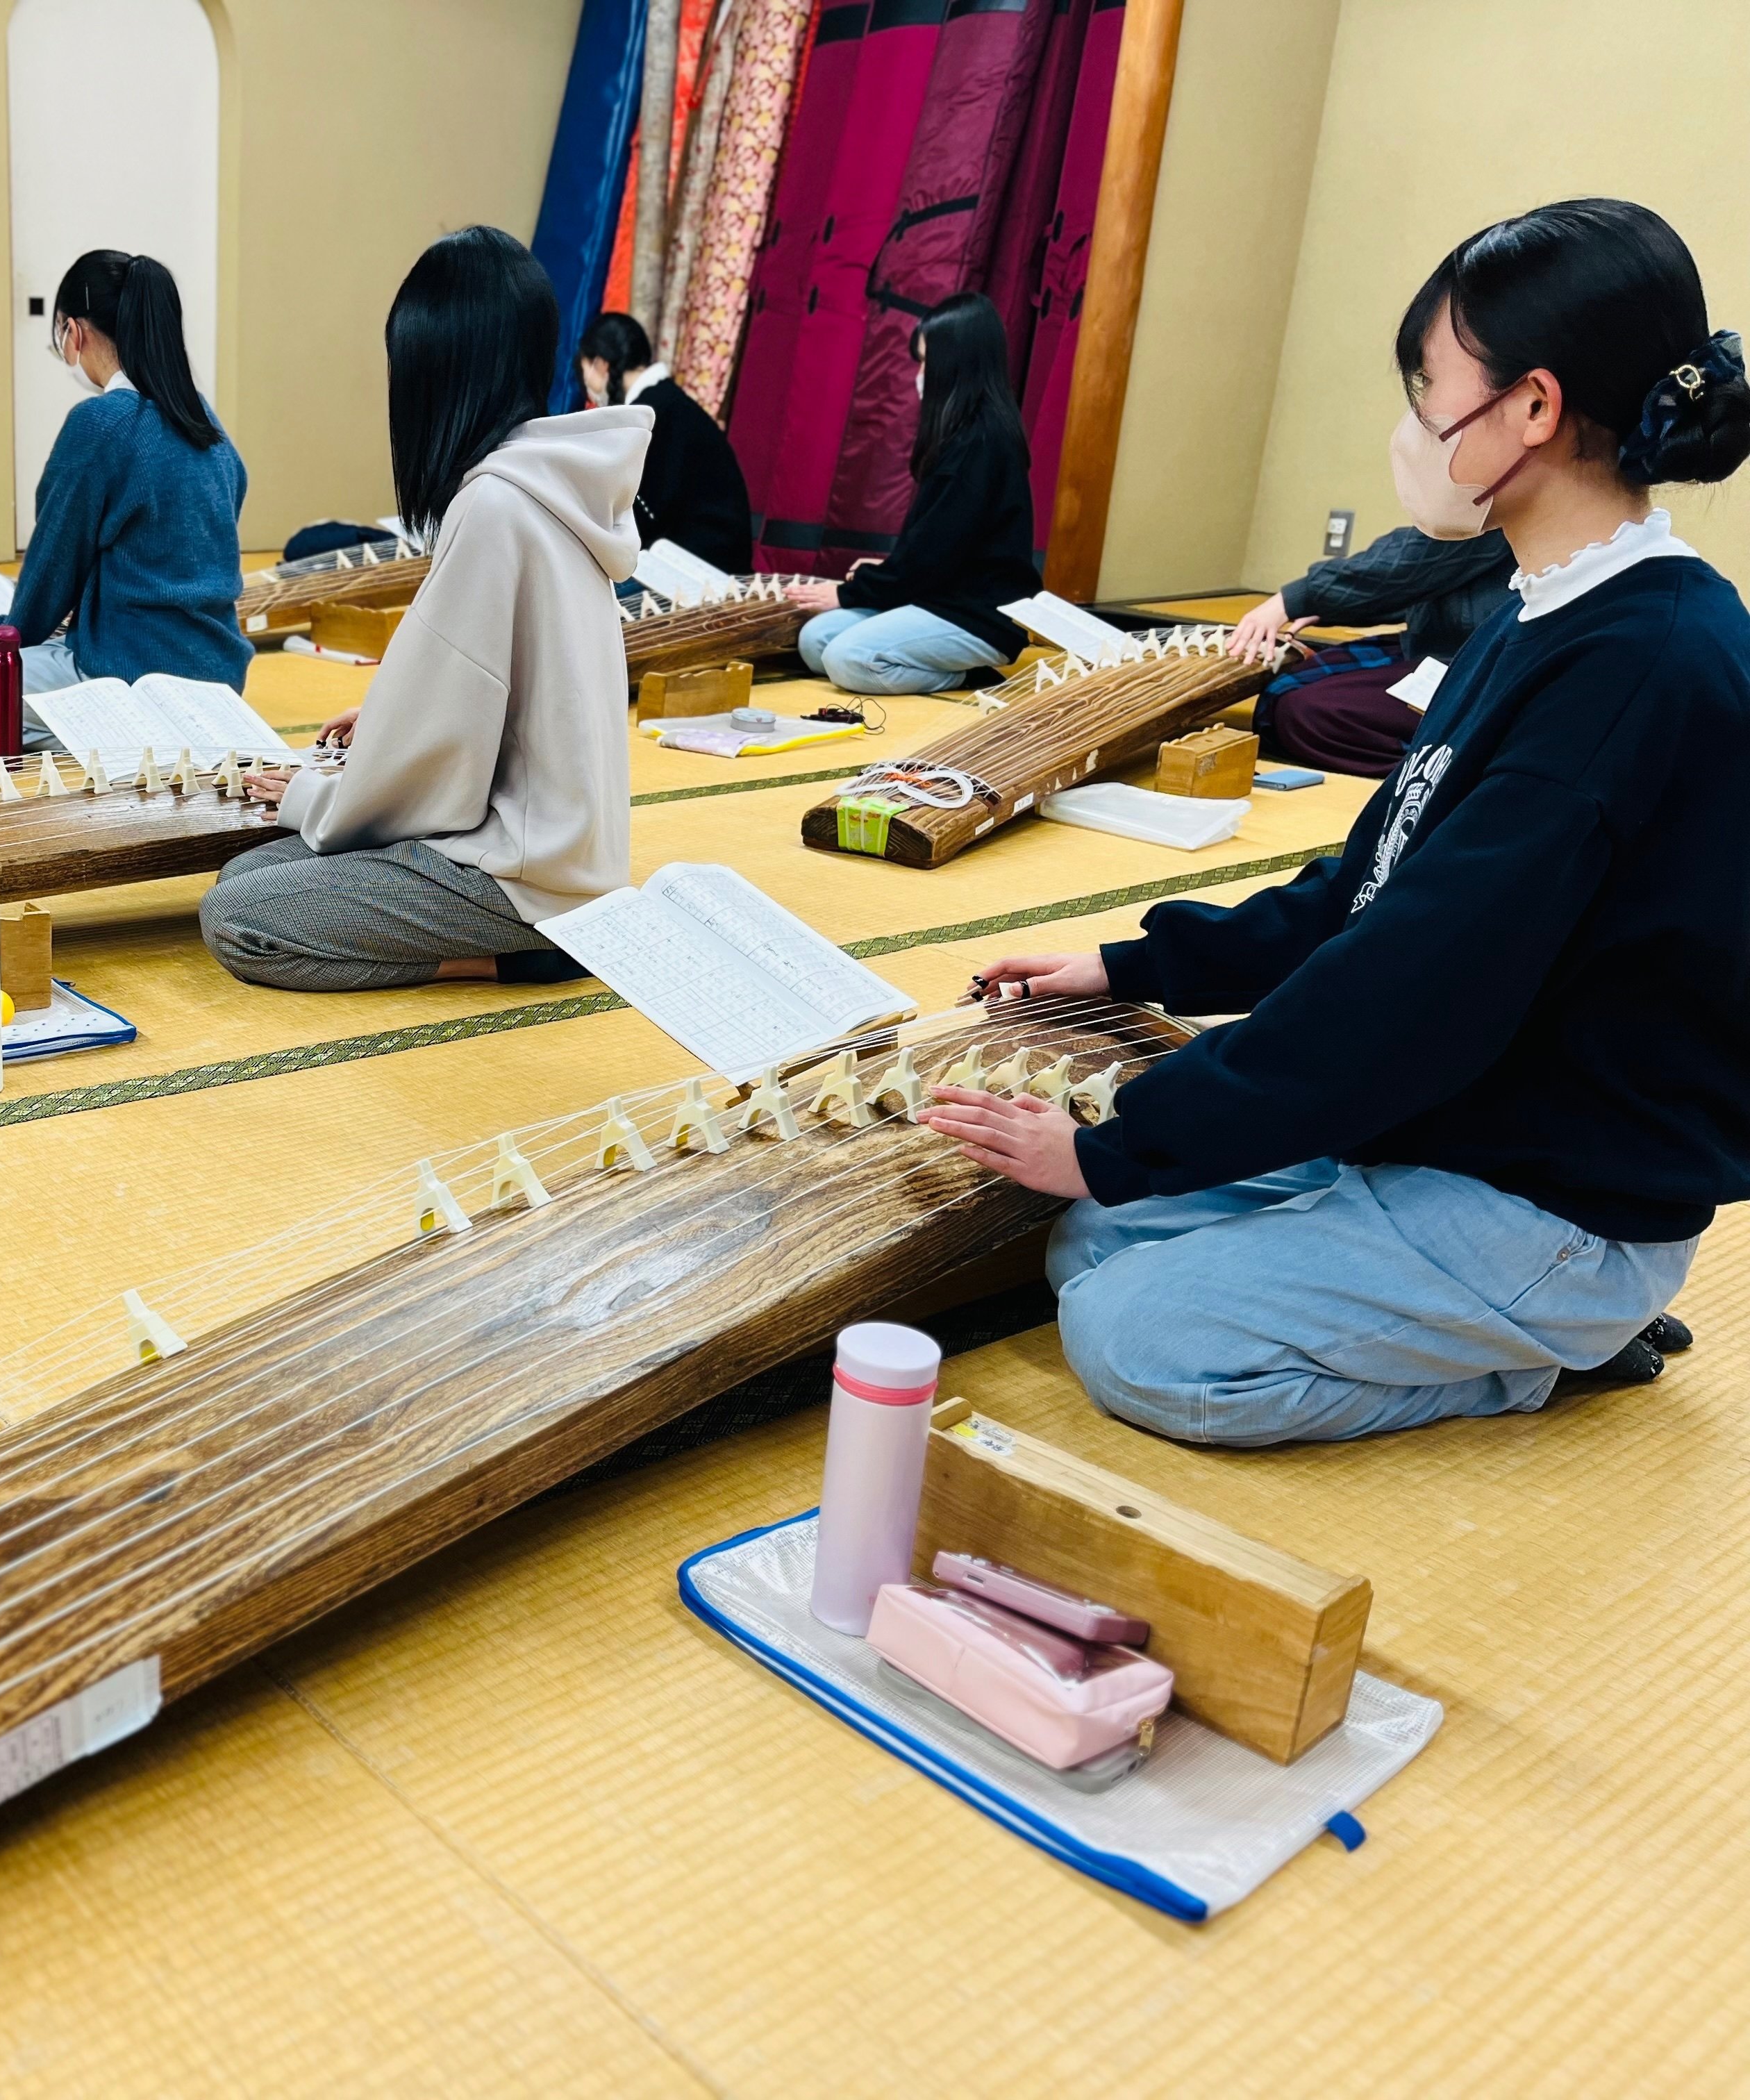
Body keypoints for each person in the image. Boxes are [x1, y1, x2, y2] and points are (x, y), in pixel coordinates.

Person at [918, 197, 1749, 1449]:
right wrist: (1128, 966)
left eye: (1428, 392)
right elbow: (1375, 882)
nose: (1411, 428)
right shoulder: (1543, 610)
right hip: (1450, 1127)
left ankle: (1548, 1348)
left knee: (1137, 1335)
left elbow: (1406, 984)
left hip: (1558, 1199)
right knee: (1093, 1234)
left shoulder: (1643, 659)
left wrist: (1115, 1142)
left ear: (1529, 408)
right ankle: (1498, 1317)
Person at [199, 226, 642, 991]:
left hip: (524, 879)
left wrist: (313, 793)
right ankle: (538, 941)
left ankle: (515, 959)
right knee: (246, 869)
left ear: (436, 374)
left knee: (239, 919)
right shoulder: (558, 488)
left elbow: (434, 769)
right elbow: (495, 698)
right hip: (571, 848)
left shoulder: (497, 505)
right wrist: (388, 718)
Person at [0, 251, 247, 751]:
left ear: (74, 333)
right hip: (221, 677)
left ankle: (135, 742)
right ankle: (172, 734)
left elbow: (53, 566)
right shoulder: (207, 424)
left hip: (132, 672)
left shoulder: (101, 423)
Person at [785, 292, 1038, 694]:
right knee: (817, 641)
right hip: (940, 595)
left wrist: (851, 591)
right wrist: (886, 569)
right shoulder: (962, 434)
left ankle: (974, 680)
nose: (918, 374)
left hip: (979, 613)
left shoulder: (984, 442)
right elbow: (938, 549)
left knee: (847, 658)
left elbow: (936, 555)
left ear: (953, 363)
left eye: (924, 361)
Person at [1222, 524, 1516, 777]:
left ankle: (1452, 767)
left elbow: (1415, 560)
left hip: (1483, 660)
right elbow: (1425, 570)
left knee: (1303, 712)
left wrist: (1295, 599)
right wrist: (1333, 606)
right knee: (1280, 693)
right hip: (1428, 642)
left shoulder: (1502, 504)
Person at [576, 310, 753, 574]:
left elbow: (642, 515)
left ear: (601, 365)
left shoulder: (651, 415)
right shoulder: (665, 403)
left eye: (584, 370)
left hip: (703, 565)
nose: (587, 386)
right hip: (715, 554)